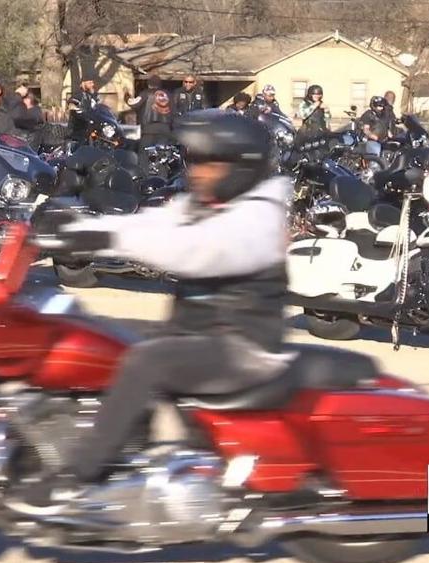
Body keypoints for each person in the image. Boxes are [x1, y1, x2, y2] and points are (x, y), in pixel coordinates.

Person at [29, 111, 292, 506]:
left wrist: (102, 237)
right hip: (203, 336)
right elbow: (152, 225)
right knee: (100, 342)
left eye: (208, 162)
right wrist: (77, 229)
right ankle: (129, 463)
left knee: (146, 362)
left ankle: (76, 478)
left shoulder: (260, 217)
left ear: (242, 166)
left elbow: (198, 251)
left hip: (244, 349)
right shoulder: (208, 203)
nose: (196, 171)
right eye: (193, 160)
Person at [137, 89, 175, 159]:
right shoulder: (169, 95)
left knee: (144, 152)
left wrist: (126, 97)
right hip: (165, 128)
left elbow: (134, 105)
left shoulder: (145, 93)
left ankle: (144, 169)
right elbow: (174, 110)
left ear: (149, 85)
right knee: (162, 153)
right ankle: (161, 169)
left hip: (149, 129)